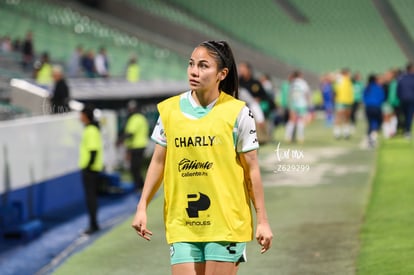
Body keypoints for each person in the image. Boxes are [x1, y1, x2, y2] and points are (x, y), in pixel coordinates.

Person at [131, 40, 273, 275]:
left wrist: (263, 221)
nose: (194, 71)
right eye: (191, 64)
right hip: (182, 224)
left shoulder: (238, 112)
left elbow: (252, 170)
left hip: (226, 223)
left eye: (203, 66)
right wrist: (142, 206)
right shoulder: (169, 111)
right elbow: (158, 161)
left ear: (222, 74)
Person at [79, 105, 103, 234]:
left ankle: (93, 224)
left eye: (81, 114)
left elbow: (93, 151)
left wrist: (88, 167)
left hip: (90, 170)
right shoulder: (91, 129)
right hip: (91, 169)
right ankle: (93, 223)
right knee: (91, 198)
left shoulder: (91, 130)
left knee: (91, 198)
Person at [118, 100, 149, 192]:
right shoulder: (142, 118)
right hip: (141, 145)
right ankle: (141, 186)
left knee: (134, 168)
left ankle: (139, 186)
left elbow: (130, 133)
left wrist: (120, 139)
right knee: (137, 168)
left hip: (136, 146)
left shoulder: (135, 118)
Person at [284, 70, 311, 143]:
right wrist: (309, 104)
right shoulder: (303, 83)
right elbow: (307, 93)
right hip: (302, 104)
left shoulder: (291, 83)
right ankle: (300, 137)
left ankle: (288, 137)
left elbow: (289, 94)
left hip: (293, 104)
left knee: (291, 121)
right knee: (301, 121)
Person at [363, 74, 385, 147]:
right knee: (376, 123)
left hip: (368, 107)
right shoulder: (378, 87)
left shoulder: (367, 88)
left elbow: (363, 97)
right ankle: (373, 139)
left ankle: (369, 138)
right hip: (376, 107)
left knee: (370, 123)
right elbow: (382, 97)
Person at [333, 68, 354, 139]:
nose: (350, 74)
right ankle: (337, 133)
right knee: (339, 117)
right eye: (348, 73)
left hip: (348, 101)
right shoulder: (340, 79)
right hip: (340, 101)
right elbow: (333, 77)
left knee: (347, 118)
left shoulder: (349, 80)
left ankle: (346, 133)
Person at [397, 62, 414, 139]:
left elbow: (398, 89)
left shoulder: (401, 77)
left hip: (403, 99)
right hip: (410, 99)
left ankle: (404, 130)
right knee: (409, 116)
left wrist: (399, 97)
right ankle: (407, 131)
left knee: (404, 115)